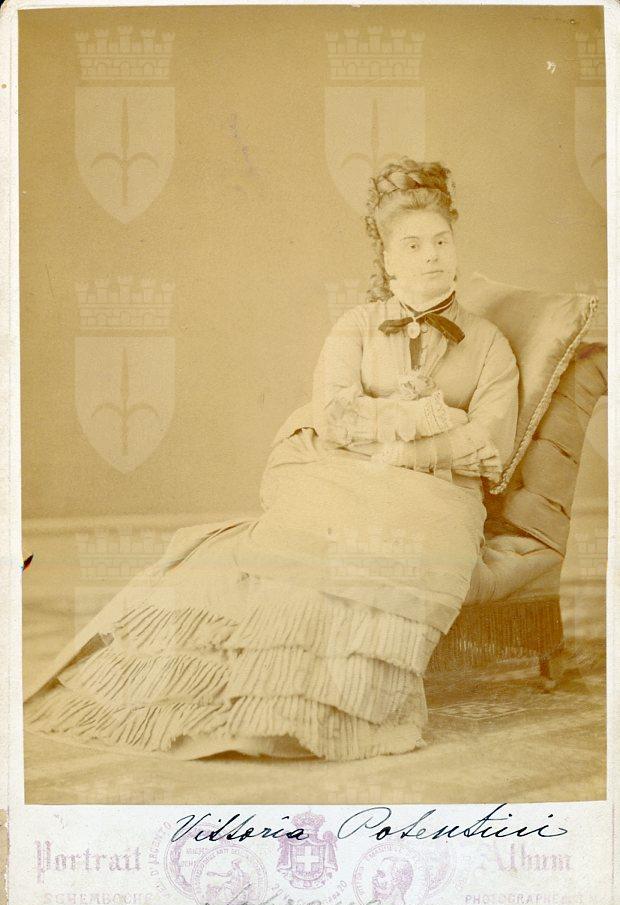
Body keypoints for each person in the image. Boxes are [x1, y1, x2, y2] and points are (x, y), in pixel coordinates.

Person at [24, 158, 519, 762]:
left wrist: (403, 442)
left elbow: (489, 443)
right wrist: (433, 420)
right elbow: (333, 415)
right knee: (288, 554)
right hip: (343, 473)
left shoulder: (489, 344)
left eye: (441, 241)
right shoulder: (356, 327)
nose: (431, 256)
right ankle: (240, 695)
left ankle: (320, 708)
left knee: (381, 546)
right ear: (388, 259)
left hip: (439, 496)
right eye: (412, 245)